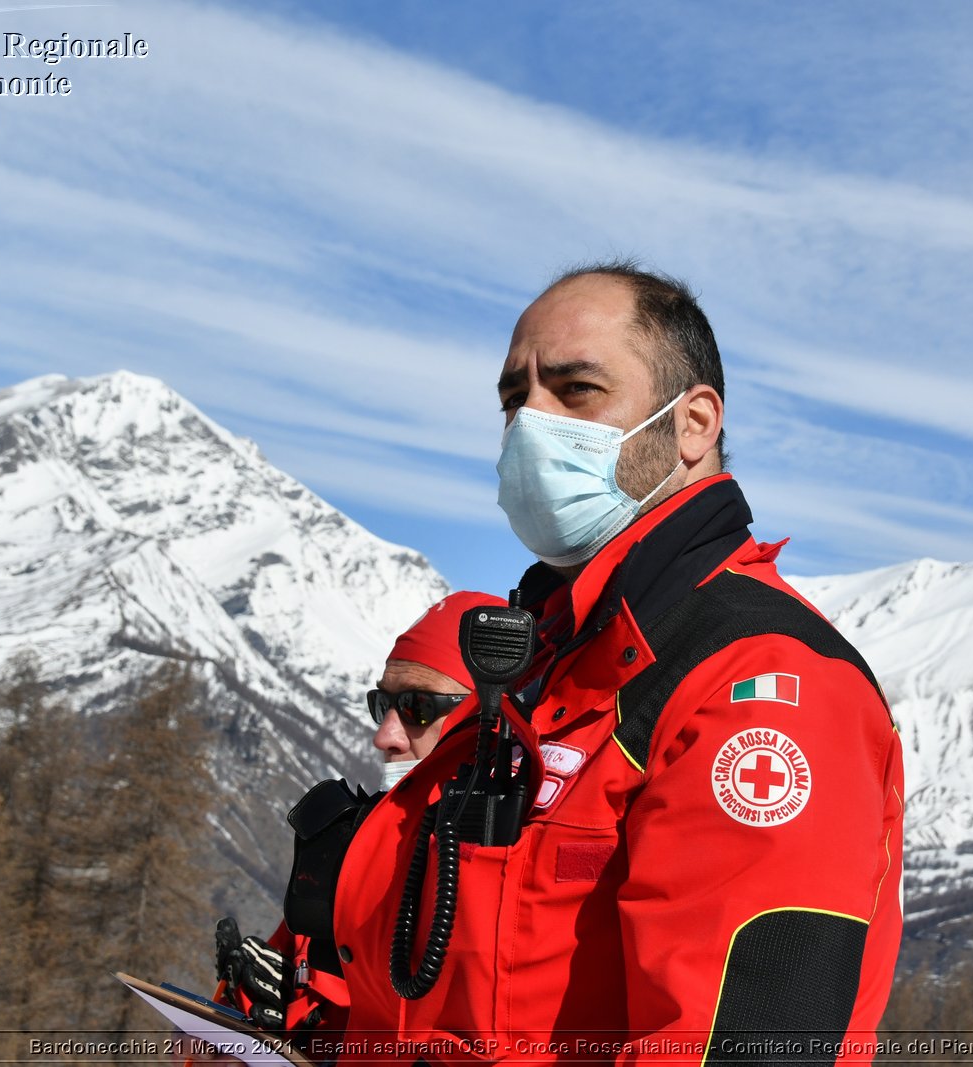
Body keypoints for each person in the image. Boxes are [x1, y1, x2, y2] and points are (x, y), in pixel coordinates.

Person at [326, 262, 905, 1065]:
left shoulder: (757, 682)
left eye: (577, 390)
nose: (531, 421)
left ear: (692, 424)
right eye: (514, 398)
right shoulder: (559, 658)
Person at [190, 591, 507, 1065]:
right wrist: (243, 1023)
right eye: (383, 704)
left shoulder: (525, 877)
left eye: (419, 706)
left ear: (490, 720)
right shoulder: (346, 853)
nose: (385, 735)